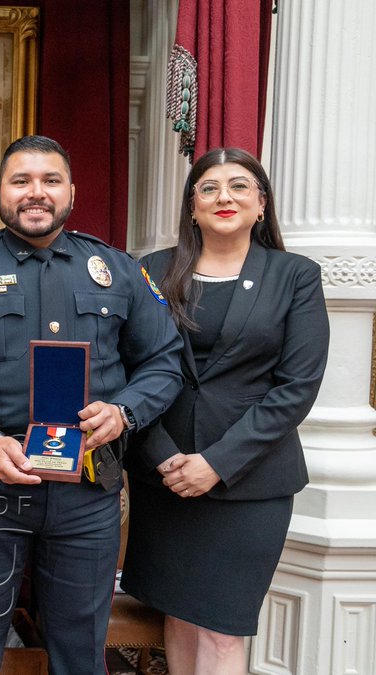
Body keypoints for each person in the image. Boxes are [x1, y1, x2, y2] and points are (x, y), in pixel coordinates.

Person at [0, 135, 184, 674]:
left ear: (71, 192)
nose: (36, 192)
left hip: (87, 491)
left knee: (81, 651)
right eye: (22, 181)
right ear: (0, 192)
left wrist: (123, 412)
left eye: (50, 180)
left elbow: (164, 362)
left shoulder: (117, 269)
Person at [121, 148, 328, 674]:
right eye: (208, 187)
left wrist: (216, 463)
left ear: (261, 204)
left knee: (220, 630)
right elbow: (127, 372)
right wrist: (165, 458)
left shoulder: (295, 275)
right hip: (162, 480)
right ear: (192, 207)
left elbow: (296, 387)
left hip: (249, 485)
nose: (224, 197)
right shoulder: (151, 271)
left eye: (239, 186)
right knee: (179, 621)